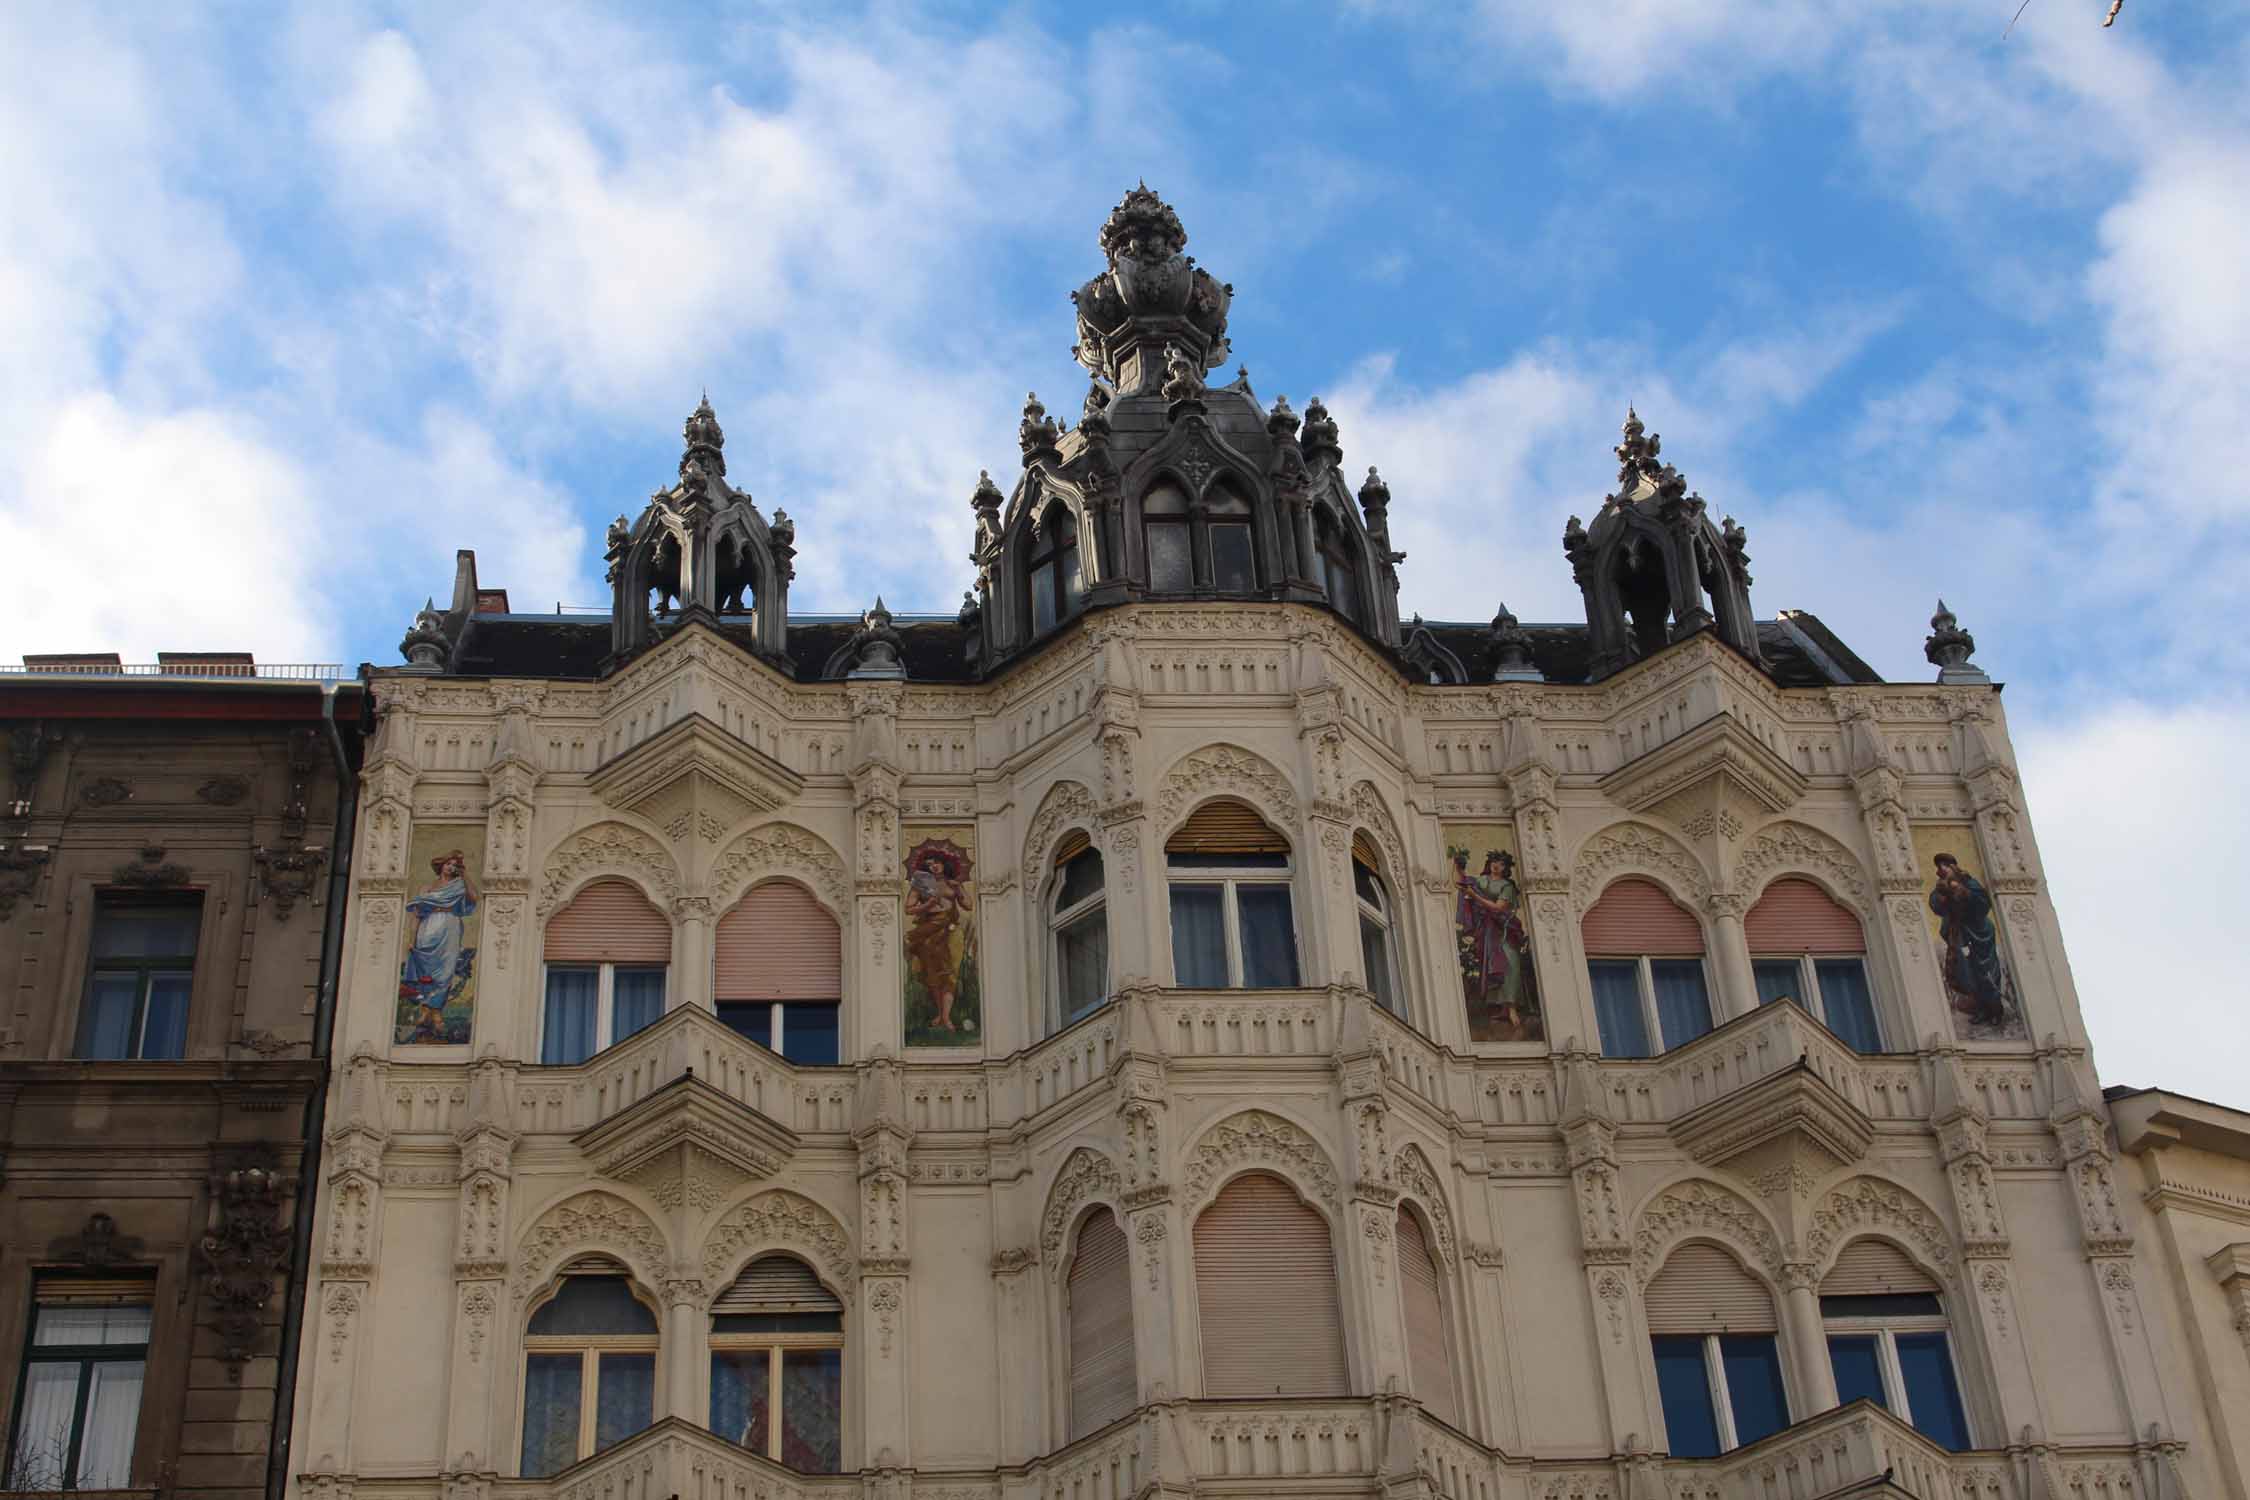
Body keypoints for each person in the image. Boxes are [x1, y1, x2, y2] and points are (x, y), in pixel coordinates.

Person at [1456, 848, 1536, 1036]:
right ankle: (1501, 1007)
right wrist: (1458, 866)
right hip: (1487, 930)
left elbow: (1499, 908)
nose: (1496, 865)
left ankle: (1512, 1008)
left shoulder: (1507, 886)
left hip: (1504, 929)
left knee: (1509, 963)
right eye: (1494, 861)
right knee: (1490, 964)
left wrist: (1474, 896)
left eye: (1501, 863)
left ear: (1505, 868)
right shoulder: (1482, 881)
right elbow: (1462, 884)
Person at [399, 850, 477, 1037]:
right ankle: (426, 1009)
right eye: (448, 863)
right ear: (441, 865)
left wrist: (465, 874)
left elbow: (474, 897)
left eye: (454, 865)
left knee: (446, 970)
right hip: (428, 927)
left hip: (450, 925)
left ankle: (436, 1013)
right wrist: (411, 940)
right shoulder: (427, 889)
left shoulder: (459, 885)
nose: (451, 867)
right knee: (426, 970)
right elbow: (416, 915)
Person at [1929, 852, 2011, 1029]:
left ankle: (1995, 1010)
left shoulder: (1968, 882)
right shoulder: (1941, 886)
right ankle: (1981, 1009)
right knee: (1967, 971)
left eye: (1942, 866)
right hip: (1961, 934)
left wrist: (1962, 892)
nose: (1940, 871)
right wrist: (1943, 897)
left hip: (1979, 932)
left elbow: (1982, 902)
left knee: (1986, 971)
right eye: (1938, 868)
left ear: (1951, 866)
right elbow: (1935, 904)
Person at [904, 844, 975, 1033]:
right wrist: (927, 905)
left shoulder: (952, 884)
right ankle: (940, 1014)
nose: (934, 866)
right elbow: (908, 909)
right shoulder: (920, 885)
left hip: (952, 931)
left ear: (945, 864)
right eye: (929, 864)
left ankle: (946, 1017)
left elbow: (968, 905)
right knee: (932, 974)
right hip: (929, 932)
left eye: (937, 862)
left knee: (951, 973)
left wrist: (959, 889)